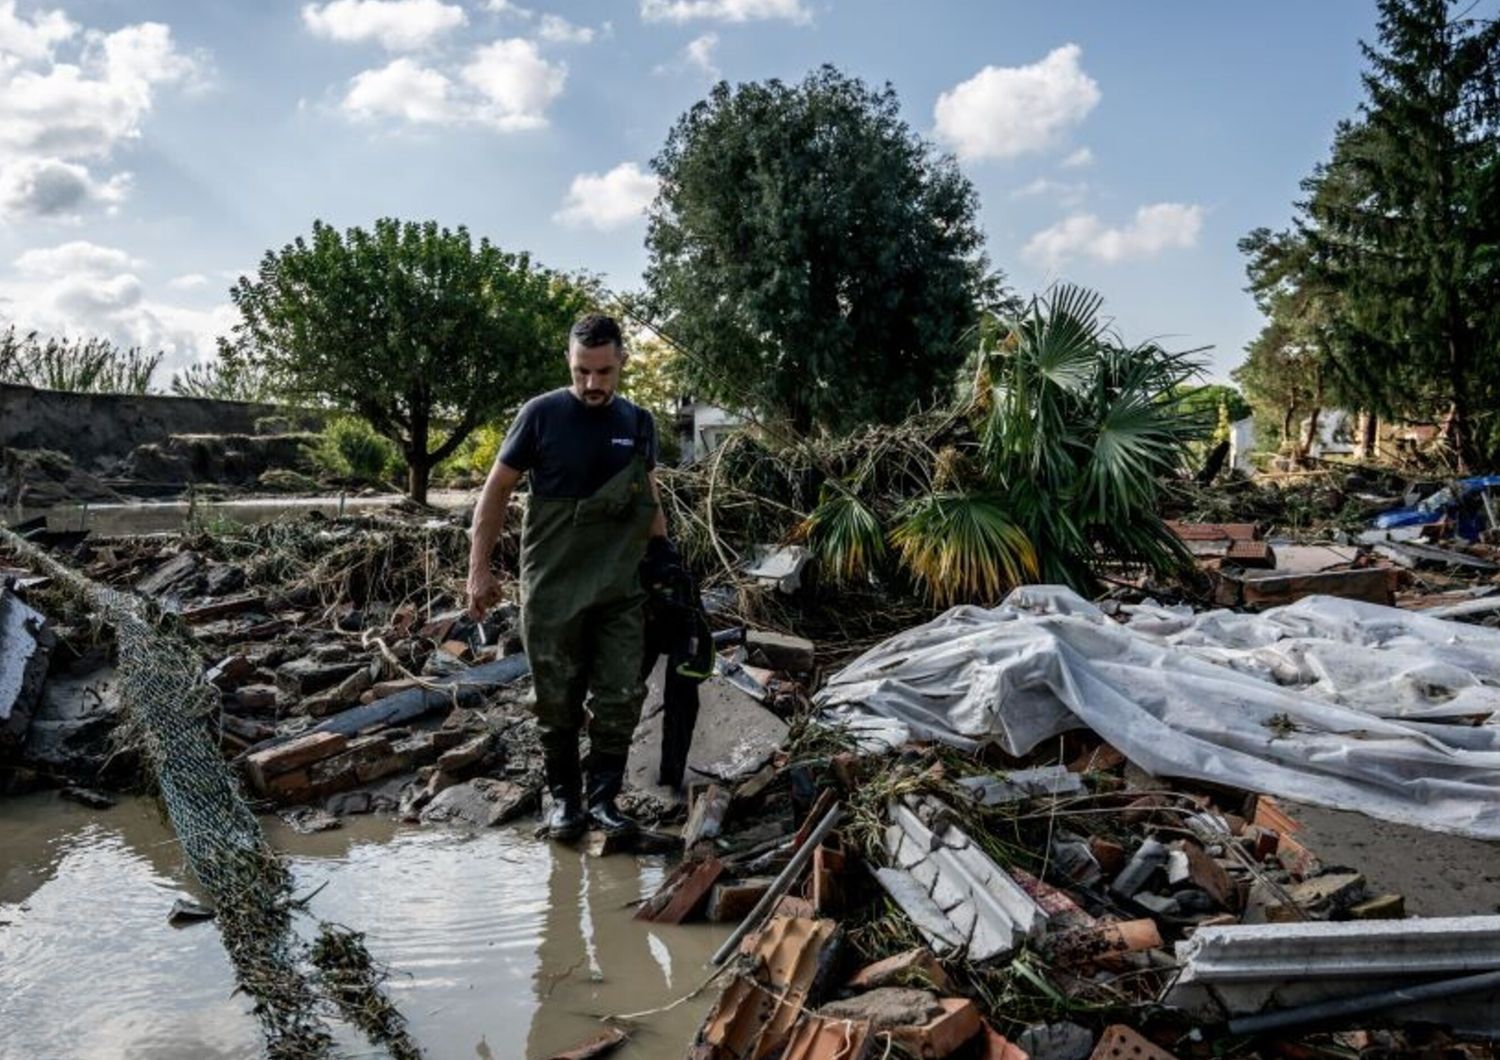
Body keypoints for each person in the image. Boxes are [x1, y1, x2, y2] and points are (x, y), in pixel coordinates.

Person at [466, 313, 671, 842]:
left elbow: (646, 491)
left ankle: (605, 802)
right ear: (570, 362)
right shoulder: (541, 415)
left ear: (622, 362)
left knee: (621, 694)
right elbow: (495, 494)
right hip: (553, 585)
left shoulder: (638, 423)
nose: (592, 384)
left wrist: (665, 554)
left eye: (603, 372)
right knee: (554, 697)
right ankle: (565, 804)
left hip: (620, 587)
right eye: (582, 372)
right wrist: (479, 571)